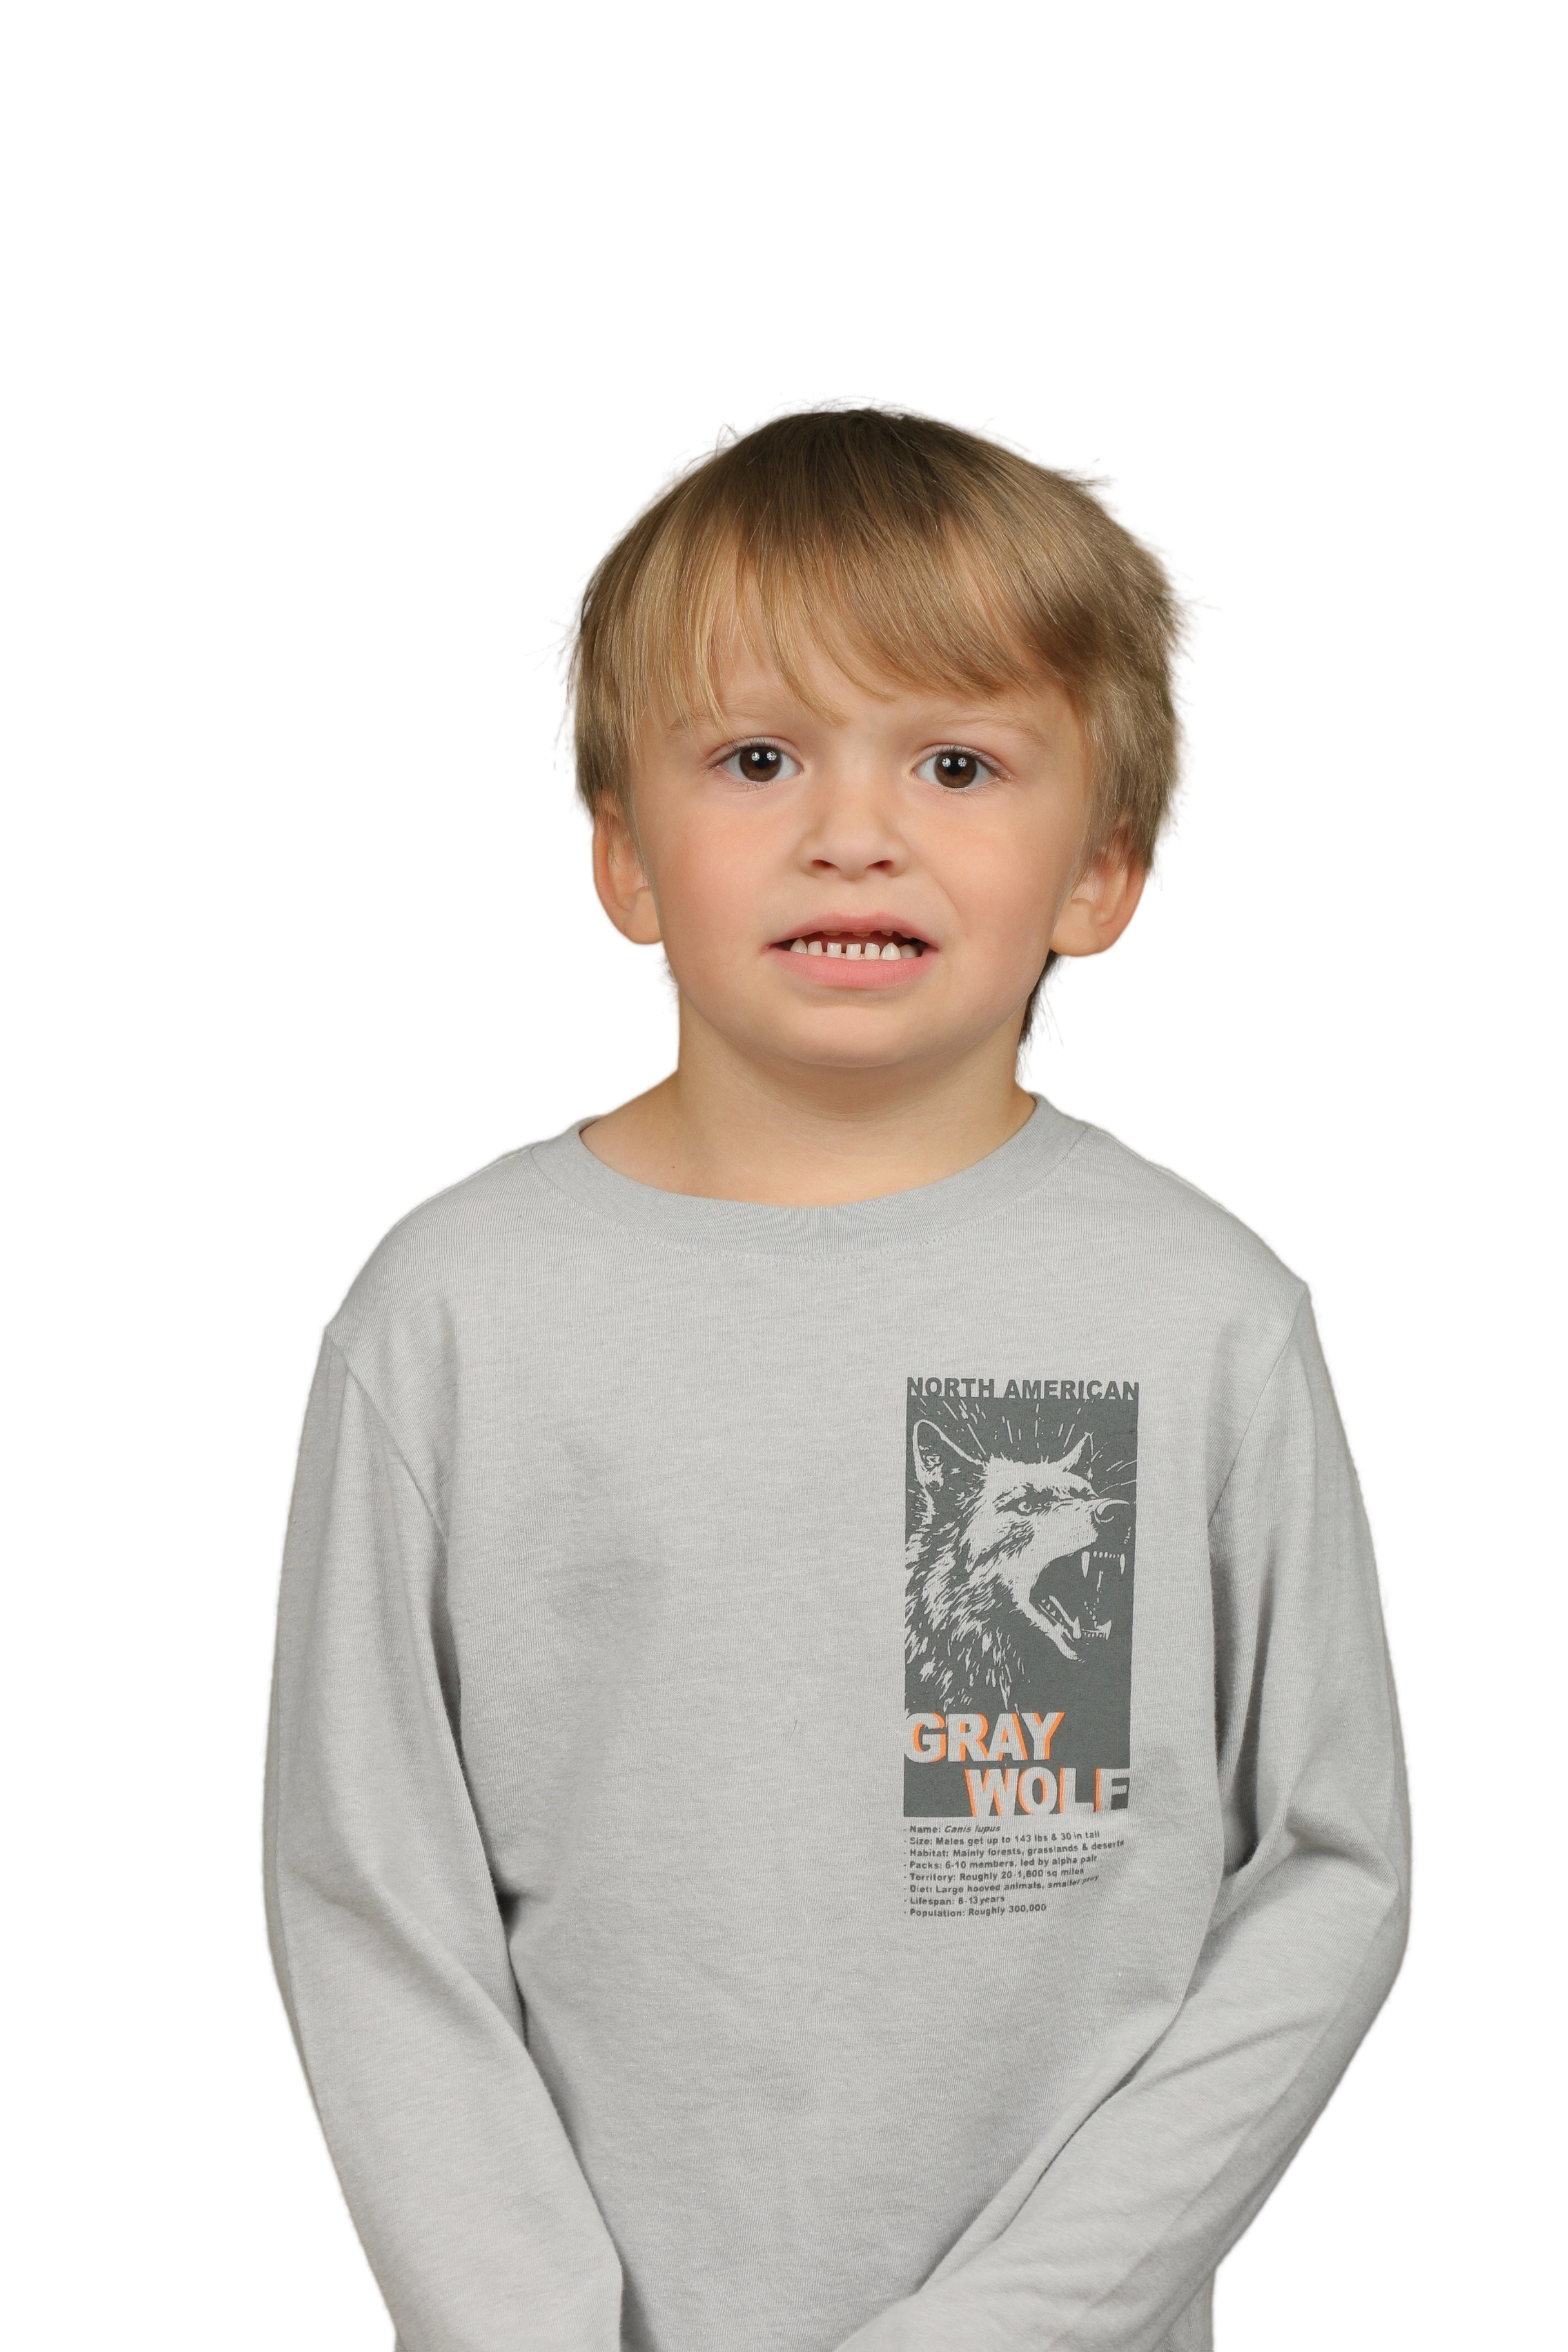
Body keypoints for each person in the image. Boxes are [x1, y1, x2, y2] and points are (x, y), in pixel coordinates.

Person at [258, 390, 1417, 2352]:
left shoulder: (1194, 1313)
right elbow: (372, 1901)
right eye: (757, 756)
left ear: (1103, 870)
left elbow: (1329, 1875)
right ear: (625, 857)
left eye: (958, 760)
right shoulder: (459, 1310)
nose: (852, 830)